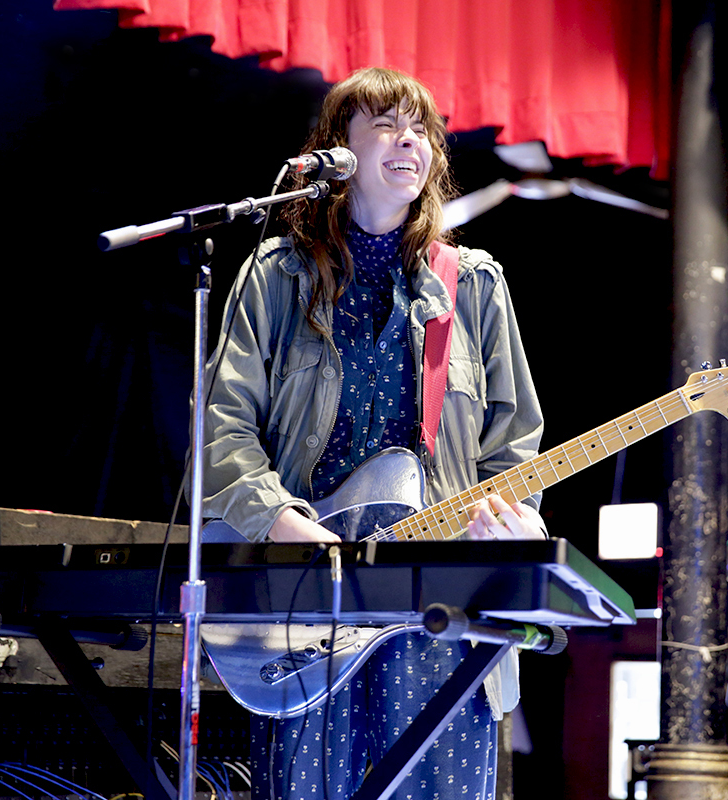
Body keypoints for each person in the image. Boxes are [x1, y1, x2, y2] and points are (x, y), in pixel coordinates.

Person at [200, 67, 546, 800]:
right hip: (309, 605)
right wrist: (289, 525)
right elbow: (222, 425)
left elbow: (516, 450)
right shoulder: (277, 273)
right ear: (338, 149)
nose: (407, 140)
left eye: (420, 128)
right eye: (385, 123)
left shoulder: (473, 283)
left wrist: (512, 521)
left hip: (440, 614)